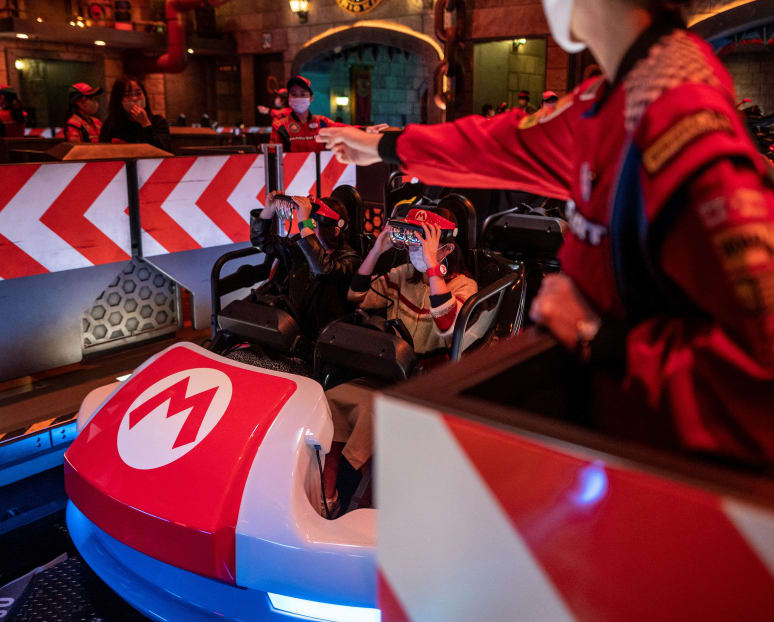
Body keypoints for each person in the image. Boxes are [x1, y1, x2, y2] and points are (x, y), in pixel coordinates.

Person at [317, 0, 774, 465]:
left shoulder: (676, 119)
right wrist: (386, 145)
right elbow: (503, 142)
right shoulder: (613, 98)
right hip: (609, 426)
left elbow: (760, 363)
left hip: (662, 458)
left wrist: (594, 335)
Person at [322, 208, 476, 516]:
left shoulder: (464, 287)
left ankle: (355, 505)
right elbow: (356, 296)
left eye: (424, 243)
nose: (414, 250)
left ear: (445, 249)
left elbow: (447, 326)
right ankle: (328, 495)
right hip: (389, 369)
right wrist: (378, 250)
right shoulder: (401, 276)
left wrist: (431, 264)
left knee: (370, 413)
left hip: (427, 379)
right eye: (413, 242)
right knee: (331, 399)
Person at [250, 190, 360, 344]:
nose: (308, 230)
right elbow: (261, 240)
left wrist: (304, 223)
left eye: (314, 225)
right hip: (288, 326)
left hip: (323, 338)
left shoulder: (350, 259)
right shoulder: (300, 246)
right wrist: (270, 208)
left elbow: (322, 268)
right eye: (310, 223)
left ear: (335, 231)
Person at [270, 75, 345, 153]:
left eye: (303, 94)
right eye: (294, 94)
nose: (298, 98)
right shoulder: (279, 126)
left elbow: (344, 130)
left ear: (311, 98)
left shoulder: (322, 122)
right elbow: (273, 156)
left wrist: (357, 134)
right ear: (289, 98)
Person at [100, 75, 171, 152]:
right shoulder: (111, 124)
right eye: (127, 95)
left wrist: (146, 124)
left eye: (138, 93)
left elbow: (163, 150)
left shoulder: (158, 122)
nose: (134, 98)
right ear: (118, 99)